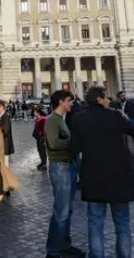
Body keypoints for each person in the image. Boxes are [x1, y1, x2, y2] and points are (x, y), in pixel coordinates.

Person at [70, 87, 134, 258]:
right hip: (119, 177)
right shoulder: (115, 115)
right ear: (100, 99)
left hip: (94, 177)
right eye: (106, 98)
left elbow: (74, 148)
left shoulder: (79, 118)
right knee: (122, 223)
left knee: (95, 224)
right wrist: (125, 118)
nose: (109, 101)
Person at [45, 90, 84, 258]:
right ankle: (53, 251)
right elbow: (53, 143)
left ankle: (64, 246)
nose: (71, 103)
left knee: (67, 211)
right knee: (61, 211)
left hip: (68, 166)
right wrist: (73, 141)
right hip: (60, 167)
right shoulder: (52, 120)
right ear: (61, 102)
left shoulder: (62, 119)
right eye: (69, 100)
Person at [114, 91, 134, 175]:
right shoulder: (117, 105)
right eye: (121, 96)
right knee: (125, 149)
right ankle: (132, 166)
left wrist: (126, 116)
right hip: (122, 129)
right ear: (118, 97)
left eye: (124, 95)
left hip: (130, 130)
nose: (123, 97)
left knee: (131, 148)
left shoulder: (131, 104)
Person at [0, 100, 15, 167]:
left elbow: (6, 131)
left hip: (5, 144)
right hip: (1, 145)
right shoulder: (0, 116)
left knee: (5, 166)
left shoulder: (5, 117)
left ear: (2, 107)